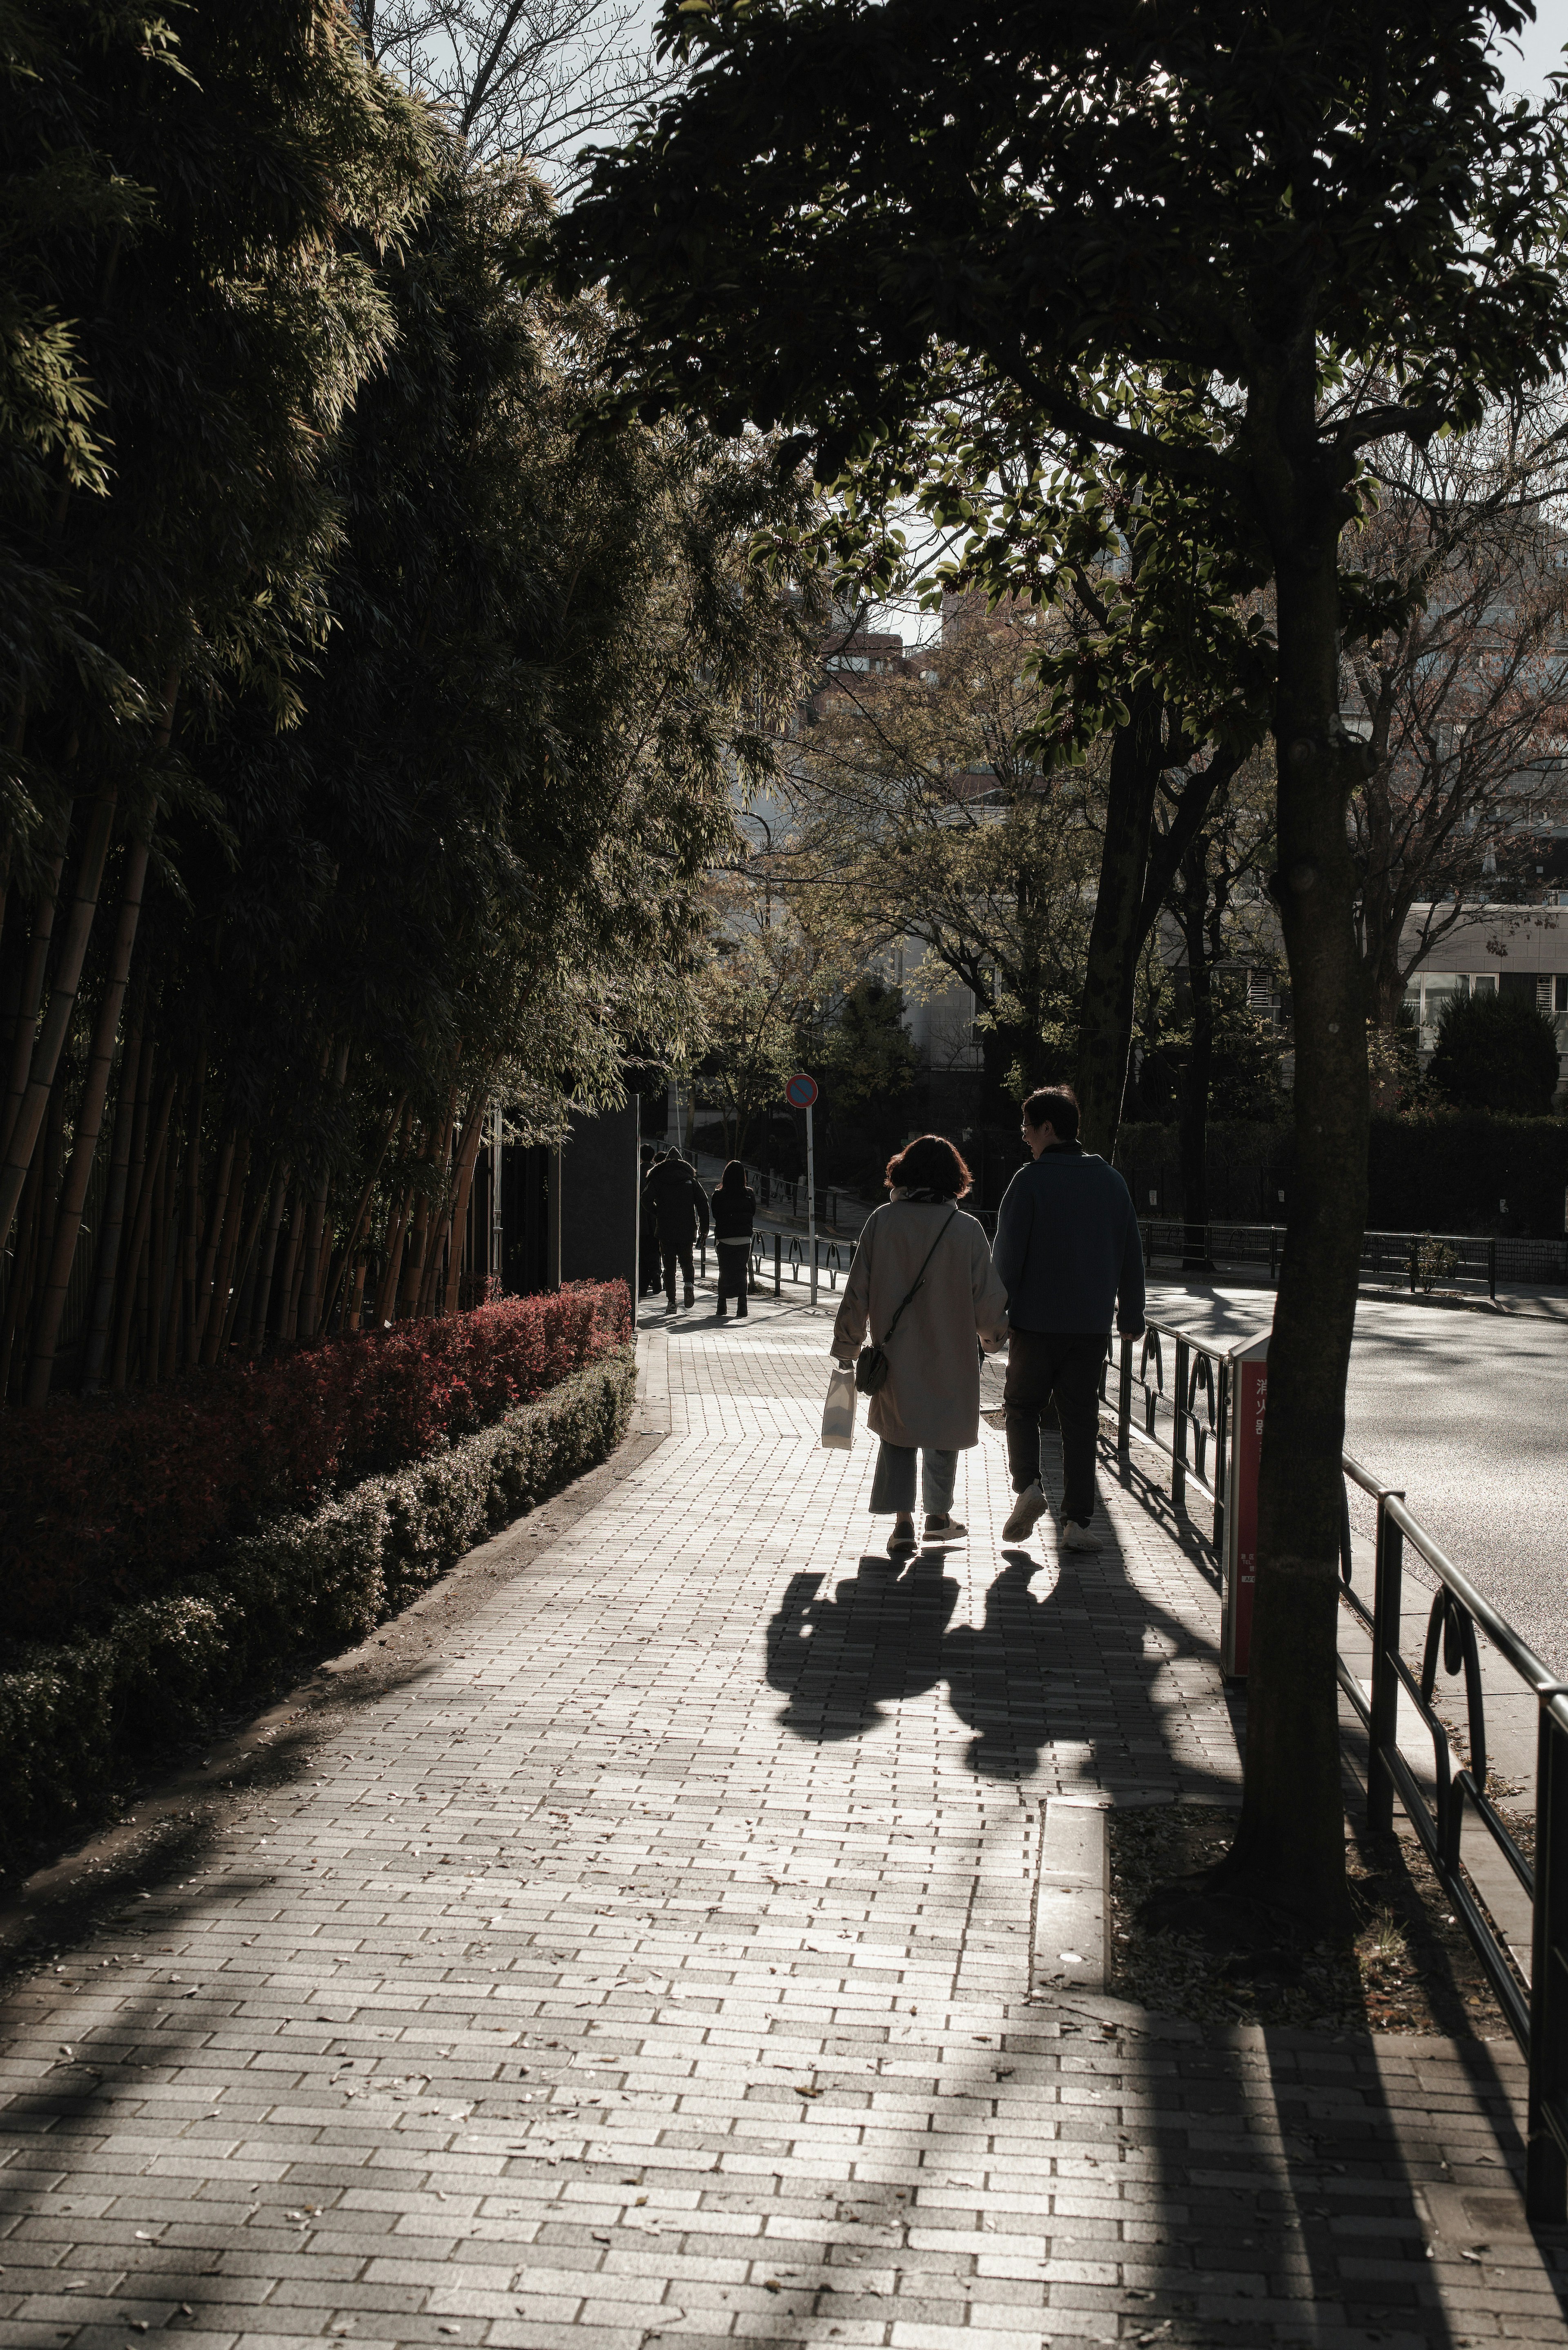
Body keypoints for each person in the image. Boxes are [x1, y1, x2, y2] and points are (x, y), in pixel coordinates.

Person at [831, 1134, 1009, 1555]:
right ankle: (938, 1517)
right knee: (944, 1433)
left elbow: (858, 1289)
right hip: (953, 1353)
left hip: (895, 1356)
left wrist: (847, 1346)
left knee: (897, 1434)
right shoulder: (966, 1228)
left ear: (904, 1173)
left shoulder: (883, 1220)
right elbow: (987, 1295)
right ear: (955, 1179)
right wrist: (994, 1338)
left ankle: (903, 1524)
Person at [991, 1085, 1144, 1552]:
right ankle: (1077, 1522)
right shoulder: (1111, 1181)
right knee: (1080, 1421)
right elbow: (1130, 1255)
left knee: (1021, 1407)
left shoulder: (1029, 1181)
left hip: (1034, 1325)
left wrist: (994, 1317)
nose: (1024, 1137)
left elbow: (1007, 1258)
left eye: (1027, 1127)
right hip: (1090, 1328)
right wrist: (1132, 1314)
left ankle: (1029, 1488)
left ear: (1048, 1129)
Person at [641, 1147, 710, 1311]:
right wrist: (704, 1228)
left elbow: (645, 1199)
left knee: (669, 1267)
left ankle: (672, 1302)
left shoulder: (658, 1179)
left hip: (665, 1228)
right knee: (687, 1261)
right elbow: (703, 1202)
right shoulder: (690, 1180)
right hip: (687, 1229)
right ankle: (688, 1284)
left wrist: (657, 1211)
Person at [709, 1160, 756, 1318]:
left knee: (725, 1271)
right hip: (744, 1239)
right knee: (742, 1271)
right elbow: (753, 1213)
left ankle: (722, 1305)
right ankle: (742, 1306)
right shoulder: (749, 1194)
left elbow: (716, 1214)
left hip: (725, 1238)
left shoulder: (718, 1195)